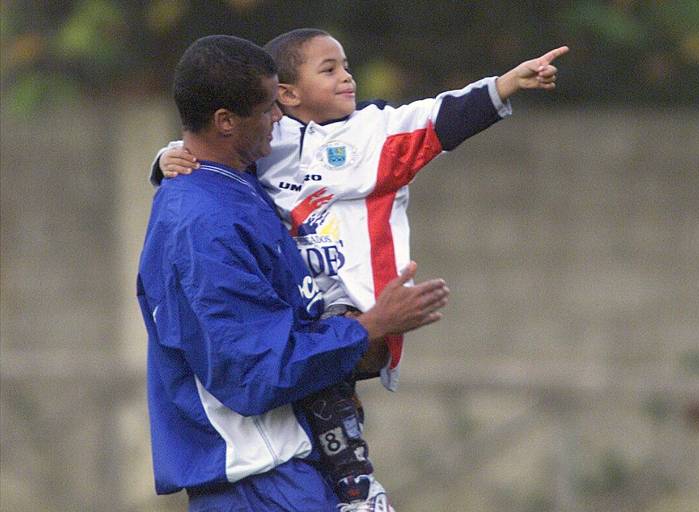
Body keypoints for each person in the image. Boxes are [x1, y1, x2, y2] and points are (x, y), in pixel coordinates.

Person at [152, 28, 567, 510]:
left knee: (332, 396)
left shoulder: (371, 134)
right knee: (324, 397)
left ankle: (354, 481)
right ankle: (355, 486)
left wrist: (505, 85)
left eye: (345, 66)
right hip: (281, 393)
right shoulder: (242, 168)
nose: (346, 77)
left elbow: (440, 118)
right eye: (328, 70)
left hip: (349, 311)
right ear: (282, 96)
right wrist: (165, 161)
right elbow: (195, 149)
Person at [137, 34, 449, 512]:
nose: (279, 118)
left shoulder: (240, 185)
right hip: (257, 484)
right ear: (225, 122)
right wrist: (368, 327)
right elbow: (256, 371)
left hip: (292, 471)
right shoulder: (203, 224)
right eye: (266, 108)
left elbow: (287, 322)